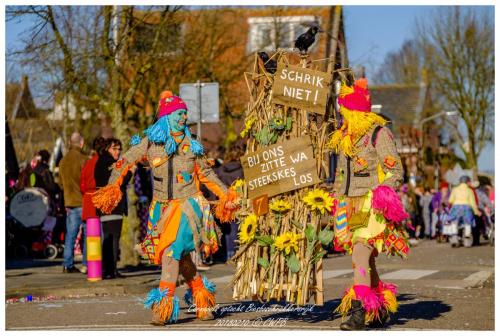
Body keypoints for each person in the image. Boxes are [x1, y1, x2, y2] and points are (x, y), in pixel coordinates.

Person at [92, 91, 239, 324]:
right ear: (167, 116)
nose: (184, 118)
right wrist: (112, 187)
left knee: (171, 255)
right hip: (161, 209)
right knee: (182, 260)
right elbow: (125, 161)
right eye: (180, 113)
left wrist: (227, 195)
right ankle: (203, 301)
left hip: (188, 207)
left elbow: (208, 174)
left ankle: (163, 307)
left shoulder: (192, 145)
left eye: (185, 114)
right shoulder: (150, 142)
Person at [328, 78, 409, 330]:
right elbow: (341, 176)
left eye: (344, 111)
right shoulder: (344, 139)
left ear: (354, 111)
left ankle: (358, 311)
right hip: (349, 206)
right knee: (368, 260)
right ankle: (381, 306)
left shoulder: (379, 133)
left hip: (372, 205)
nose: (341, 116)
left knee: (360, 254)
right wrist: (334, 199)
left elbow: (395, 171)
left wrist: (381, 193)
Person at [95, 138, 132, 279]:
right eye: (114, 149)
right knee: (113, 239)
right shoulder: (109, 163)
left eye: (119, 149)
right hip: (113, 206)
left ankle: (107, 269)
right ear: (107, 149)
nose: (117, 152)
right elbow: (121, 180)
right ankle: (111, 270)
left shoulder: (101, 162)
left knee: (108, 239)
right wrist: (130, 171)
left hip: (105, 206)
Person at [58, 132, 88, 273]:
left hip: (69, 202)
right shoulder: (84, 159)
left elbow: (60, 183)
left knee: (70, 234)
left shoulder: (63, 161)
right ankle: (87, 264)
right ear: (81, 143)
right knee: (88, 235)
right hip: (83, 201)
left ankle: (67, 264)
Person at [447, 176, 481, 247]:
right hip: (467, 208)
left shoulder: (454, 189)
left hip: (456, 208)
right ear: (467, 182)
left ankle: (454, 238)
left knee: (454, 222)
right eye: (469, 182)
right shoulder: (470, 190)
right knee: (468, 223)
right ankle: (467, 240)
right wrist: (476, 211)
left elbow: (450, 200)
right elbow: (473, 203)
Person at [80, 137, 107, 224]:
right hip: (103, 202)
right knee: (106, 235)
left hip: (89, 201)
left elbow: (82, 185)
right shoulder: (107, 163)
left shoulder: (88, 163)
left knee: (93, 236)